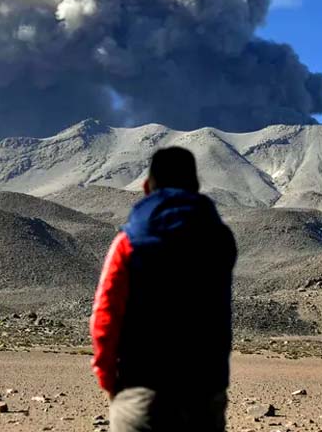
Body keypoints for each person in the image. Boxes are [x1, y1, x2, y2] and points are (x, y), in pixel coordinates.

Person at [90, 146, 237, 432]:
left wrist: (110, 381)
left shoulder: (128, 241)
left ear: (146, 187)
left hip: (142, 390)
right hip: (205, 393)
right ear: (195, 186)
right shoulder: (220, 239)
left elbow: (104, 314)